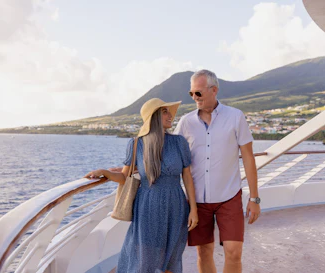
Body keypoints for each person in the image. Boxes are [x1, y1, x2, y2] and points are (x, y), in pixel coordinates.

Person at [84, 98, 198, 273]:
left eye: (169, 111)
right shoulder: (137, 144)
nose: (170, 116)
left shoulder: (179, 143)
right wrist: (105, 172)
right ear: (154, 117)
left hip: (176, 206)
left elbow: (187, 177)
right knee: (146, 258)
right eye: (165, 112)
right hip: (147, 207)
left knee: (172, 258)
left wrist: (193, 210)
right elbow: (124, 176)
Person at [174, 69, 260, 273]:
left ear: (214, 90)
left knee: (234, 252)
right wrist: (129, 167)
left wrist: (254, 198)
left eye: (199, 93)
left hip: (229, 197)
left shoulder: (235, 117)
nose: (194, 98)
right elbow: (169, 152)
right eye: (191, 93)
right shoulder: (186, 122)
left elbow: (248, 157)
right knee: (204, 252)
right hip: (197, 202)